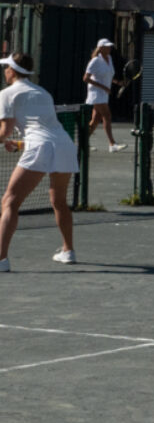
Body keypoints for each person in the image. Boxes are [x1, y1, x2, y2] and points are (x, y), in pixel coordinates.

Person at [0, 53, 79, 270]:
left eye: (6, 67)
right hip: (65, 145)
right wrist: (18, 145)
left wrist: (8, 139)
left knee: (9, 202)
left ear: (13, 71)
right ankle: (68, 251)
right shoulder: (43, 93)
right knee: (59, 201)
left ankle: (1, 260)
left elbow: (4, 131)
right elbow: (46, 132)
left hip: (42, 146)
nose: (4, 70)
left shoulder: (7, 94)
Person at [82, 39, 126, 153]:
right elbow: (86, 78)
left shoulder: (109, 59)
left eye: (110, 46)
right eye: (107, 46)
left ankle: (82, 143)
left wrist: (118, 82)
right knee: (107, 116)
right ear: (100, 48)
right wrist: (104, 87)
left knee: (95, 121)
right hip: (96, 93)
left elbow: (108, 76)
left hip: (104, 93)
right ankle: (112, 144)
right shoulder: (95, 61)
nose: (109, 48)